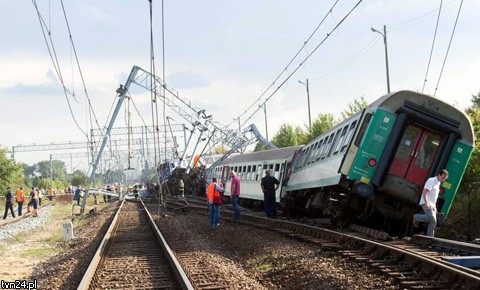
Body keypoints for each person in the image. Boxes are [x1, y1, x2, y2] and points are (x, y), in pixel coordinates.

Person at [413, 169, 449, 237]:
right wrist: (426, 203)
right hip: (426, 202)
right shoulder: (431, 180)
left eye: (445, 178)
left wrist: (435, 208)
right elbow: (425, 192)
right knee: (431, 217)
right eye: (443, 177)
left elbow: (434, 197)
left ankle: (429, 238)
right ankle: (416, 217)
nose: (443, 179)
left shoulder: (438, 183)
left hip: (432, 204)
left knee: (433, 221)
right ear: (439, 175)